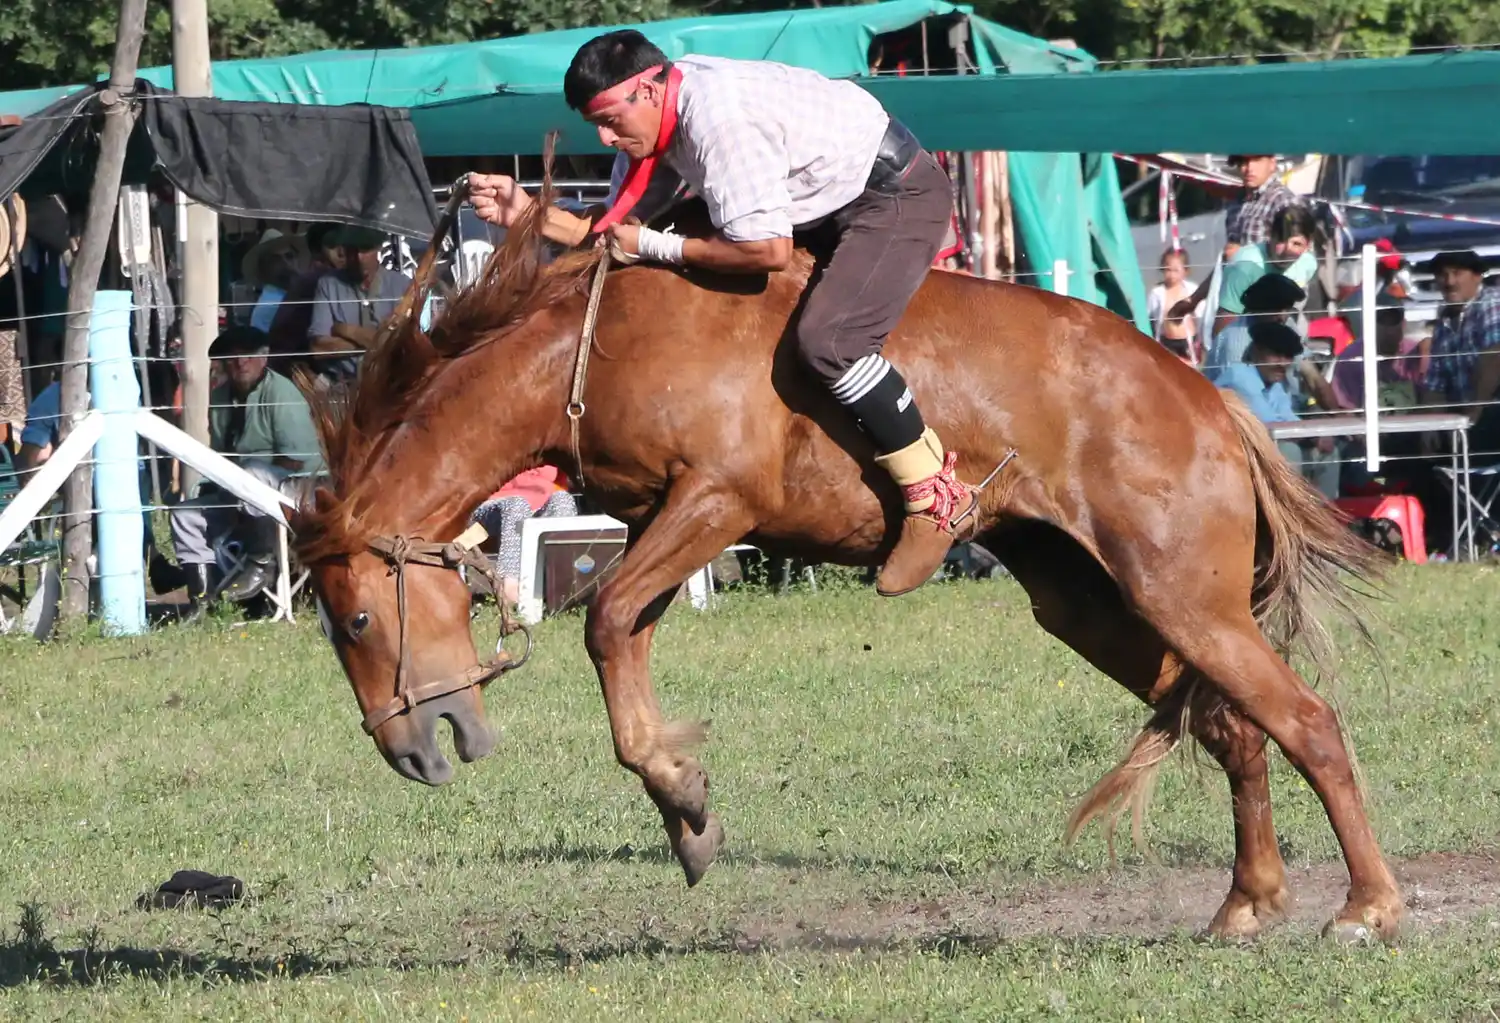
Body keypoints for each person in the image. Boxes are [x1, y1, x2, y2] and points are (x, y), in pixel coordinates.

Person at [466, 31, 969, 596]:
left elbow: (766, 251)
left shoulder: (718, 122)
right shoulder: (664, 115)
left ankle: (936, 495)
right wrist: (530, 213)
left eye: (610, 119)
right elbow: (610, 234)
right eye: (594, 125)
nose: (606, 138)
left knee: (830, 342)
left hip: (892, 195)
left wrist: (656, 246)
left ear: (650, 90)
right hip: (827, 198)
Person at [158, 327, 325, 618]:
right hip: (243, 494)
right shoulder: (221, 398)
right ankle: (202, 601)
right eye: (233, 358)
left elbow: (298, 461)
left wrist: (243, 487)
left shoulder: (281, 392)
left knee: (253, 473)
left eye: (248, 356)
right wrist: (225, 488)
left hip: (298, 490)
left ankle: (261, 562)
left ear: (264, 358)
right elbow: (222, 456)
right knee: (184, 514)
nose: (240, 364)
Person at [1212, 320, 1340, 499]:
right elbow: (1270, 424)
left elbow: (1288, 418)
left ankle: (1326, 515)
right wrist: (1314, 436)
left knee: (1329, 451)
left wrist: (1318, 436)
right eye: (1276, 355)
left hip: (1256, 449)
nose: (1283, 363)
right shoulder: (1239, 377)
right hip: (1226, 453)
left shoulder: (1273, 383)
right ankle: (1293, 513)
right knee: (1289, 450)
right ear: (1257, 352)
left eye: (1288, 356)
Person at [306, 226, 410, 382]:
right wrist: (378, 344)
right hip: (343, 385)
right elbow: (319, 348)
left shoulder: (402, 286)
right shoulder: (329, 284)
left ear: (378, 248)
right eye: (353, 251)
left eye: (366, 250)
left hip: (390, 383)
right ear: (344, 251)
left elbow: (402, 345)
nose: (359, 258)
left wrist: (346, 330)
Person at [468, 466, 579, 607]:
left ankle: (563, 587)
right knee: (516, 505)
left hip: (540, 506)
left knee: (563, 500)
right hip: (495, 505)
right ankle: (509, 589)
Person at [242, 229, 308, 333]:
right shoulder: (268, 304)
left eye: (289, 256)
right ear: (265, 267)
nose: (285, 263)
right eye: (276, 259)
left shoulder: (300, 291)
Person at [1147, 247, 1199, 361]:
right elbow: (1149, 318)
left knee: (1190, 371)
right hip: (1167, 342)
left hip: (1188, 340)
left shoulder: (1192, 290)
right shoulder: (1157, 292)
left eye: (1176, 271)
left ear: (1185, 271)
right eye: (1168, 270)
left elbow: (1201, 315)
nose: (1171, 275)